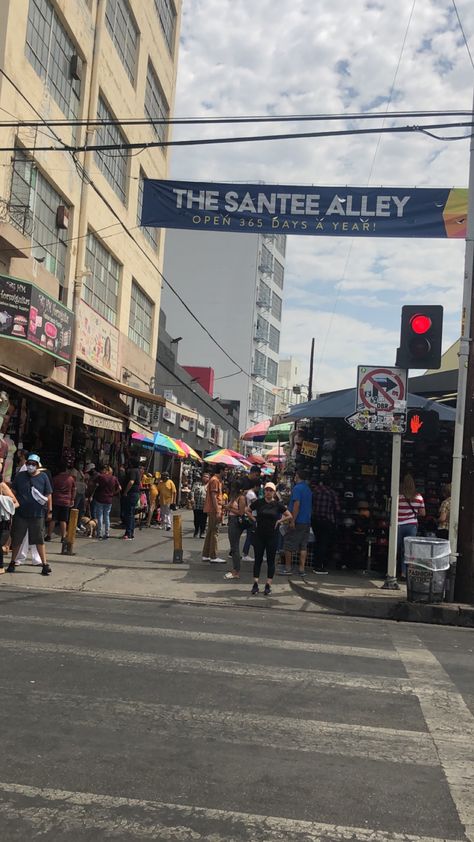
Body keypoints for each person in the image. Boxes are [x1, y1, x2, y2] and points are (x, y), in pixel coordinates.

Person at [6, 453, 53, 576]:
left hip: (37, 514)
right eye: (29, 464)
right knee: (17, 539)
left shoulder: (43, 477)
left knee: (39, 539)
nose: (31, 466)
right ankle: (13, 562)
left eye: (33, 464)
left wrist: (50, 511)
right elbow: (13, 491)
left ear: (37, 465)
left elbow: (48, 494)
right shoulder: (20, 476)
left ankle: (44, 564)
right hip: (21, 514)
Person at [249, 482, 291, 595]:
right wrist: (254, 520)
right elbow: (247, 510)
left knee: (270, 560)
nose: (268, 492)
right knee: (258, 559)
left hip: (272, 535)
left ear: (273, 492)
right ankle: (255, 583)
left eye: (270, 490)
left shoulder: (277, 504)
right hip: (259, 534)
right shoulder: (259, 502)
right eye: (267, 490)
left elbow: (289, 515)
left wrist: (279, 521)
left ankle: (268, 584)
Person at [281, 469, 313, 576]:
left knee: (288, 544)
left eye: (295, 476)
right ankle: (301, 569)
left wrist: (292, 520)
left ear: (298, 476)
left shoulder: (297, 488)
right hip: (306, 521)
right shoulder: (308, 489)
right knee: (303, 546)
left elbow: (296, 505)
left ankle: (288, 568)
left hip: (298, 520)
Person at [397, 473, 425, 578]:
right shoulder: (418, 497)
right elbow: (423, 513)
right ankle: (407, 573)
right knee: (409, 551)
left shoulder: (398, 496)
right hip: (412, 525)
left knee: (397, 549)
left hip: (399, 525)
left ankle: (394, 570)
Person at [311, 479, 340, 574]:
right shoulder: (332, 493)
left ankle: (315, 563)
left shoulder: (315, 491)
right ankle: (319, 565)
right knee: (323, 543)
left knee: (317, 541)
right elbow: (337, 508)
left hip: (315, 520)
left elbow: (310, 504)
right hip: (327, 521)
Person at [202, 463, 226, 563]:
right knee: (215, 532)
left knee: (211, 532)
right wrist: (217, 510)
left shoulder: (215, 480)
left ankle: (206, 554)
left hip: (213, 509)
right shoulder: (215, 480)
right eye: (226, 470)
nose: (226, 472)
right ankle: (213, 556)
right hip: (214, 509)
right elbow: (213, 496)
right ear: (221, 470)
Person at [47, 462, 75, 543]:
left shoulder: (55, 478)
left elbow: (50, 490)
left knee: (53, 519)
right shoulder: (71, 479)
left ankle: (49, 535)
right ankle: (63, 537)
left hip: (56, 500)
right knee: (63, 520)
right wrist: (72, 499)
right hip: (66, 501)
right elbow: (74, 489)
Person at [224, 480, 246, 580]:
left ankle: (236, 570)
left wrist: (229, 509)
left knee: (235, 547)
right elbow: (228, 506)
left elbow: (241, 512)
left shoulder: (241, 498)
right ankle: (235, 569)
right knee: (233, 546)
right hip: (232, 521)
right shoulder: (235, 497)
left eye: (233, 487)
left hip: (236, 522)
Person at [94, 465, 121, 539]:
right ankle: (107, 533)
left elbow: (94, 484)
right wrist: (114, 493)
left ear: (106, 470)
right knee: (107, 515)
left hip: (100, 498)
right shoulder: (114, 478)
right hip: (109, 499)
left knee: (100, 515)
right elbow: (120, 488)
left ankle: (99, 533)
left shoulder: (101, 477)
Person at [0, 475, 18, 573]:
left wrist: (6, 509)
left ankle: (1, 567)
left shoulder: (2, 486)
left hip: (3, 521)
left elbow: (16, 503)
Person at [121, 457, 142, 540]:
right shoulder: (138, 471)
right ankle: (130, 532)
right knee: (131, 514)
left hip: (131, 494)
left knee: (128, 514)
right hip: (135, 494)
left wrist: (125, 491)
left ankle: (128, 533)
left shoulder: (133, 471)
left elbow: (131, 481)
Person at [241, 476, 260, 561]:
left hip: (251, 515)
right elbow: (257, 504)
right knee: (250, 535)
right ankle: (245, 554)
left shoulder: (249, 493)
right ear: (256, 486)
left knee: (252, 535)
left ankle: (254, 553)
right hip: (251, 515)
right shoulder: (251, 494)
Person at [191, 472, 209, 537]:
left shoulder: (209, 486)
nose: (205, 478)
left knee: (203, 519)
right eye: (204, 476)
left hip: (205, 505)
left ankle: (202, 531)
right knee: (196, 519)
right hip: (196, 505)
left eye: (207, 477)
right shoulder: (197, 484)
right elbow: (192, 492)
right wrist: (192, 498)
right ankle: (196, 530)